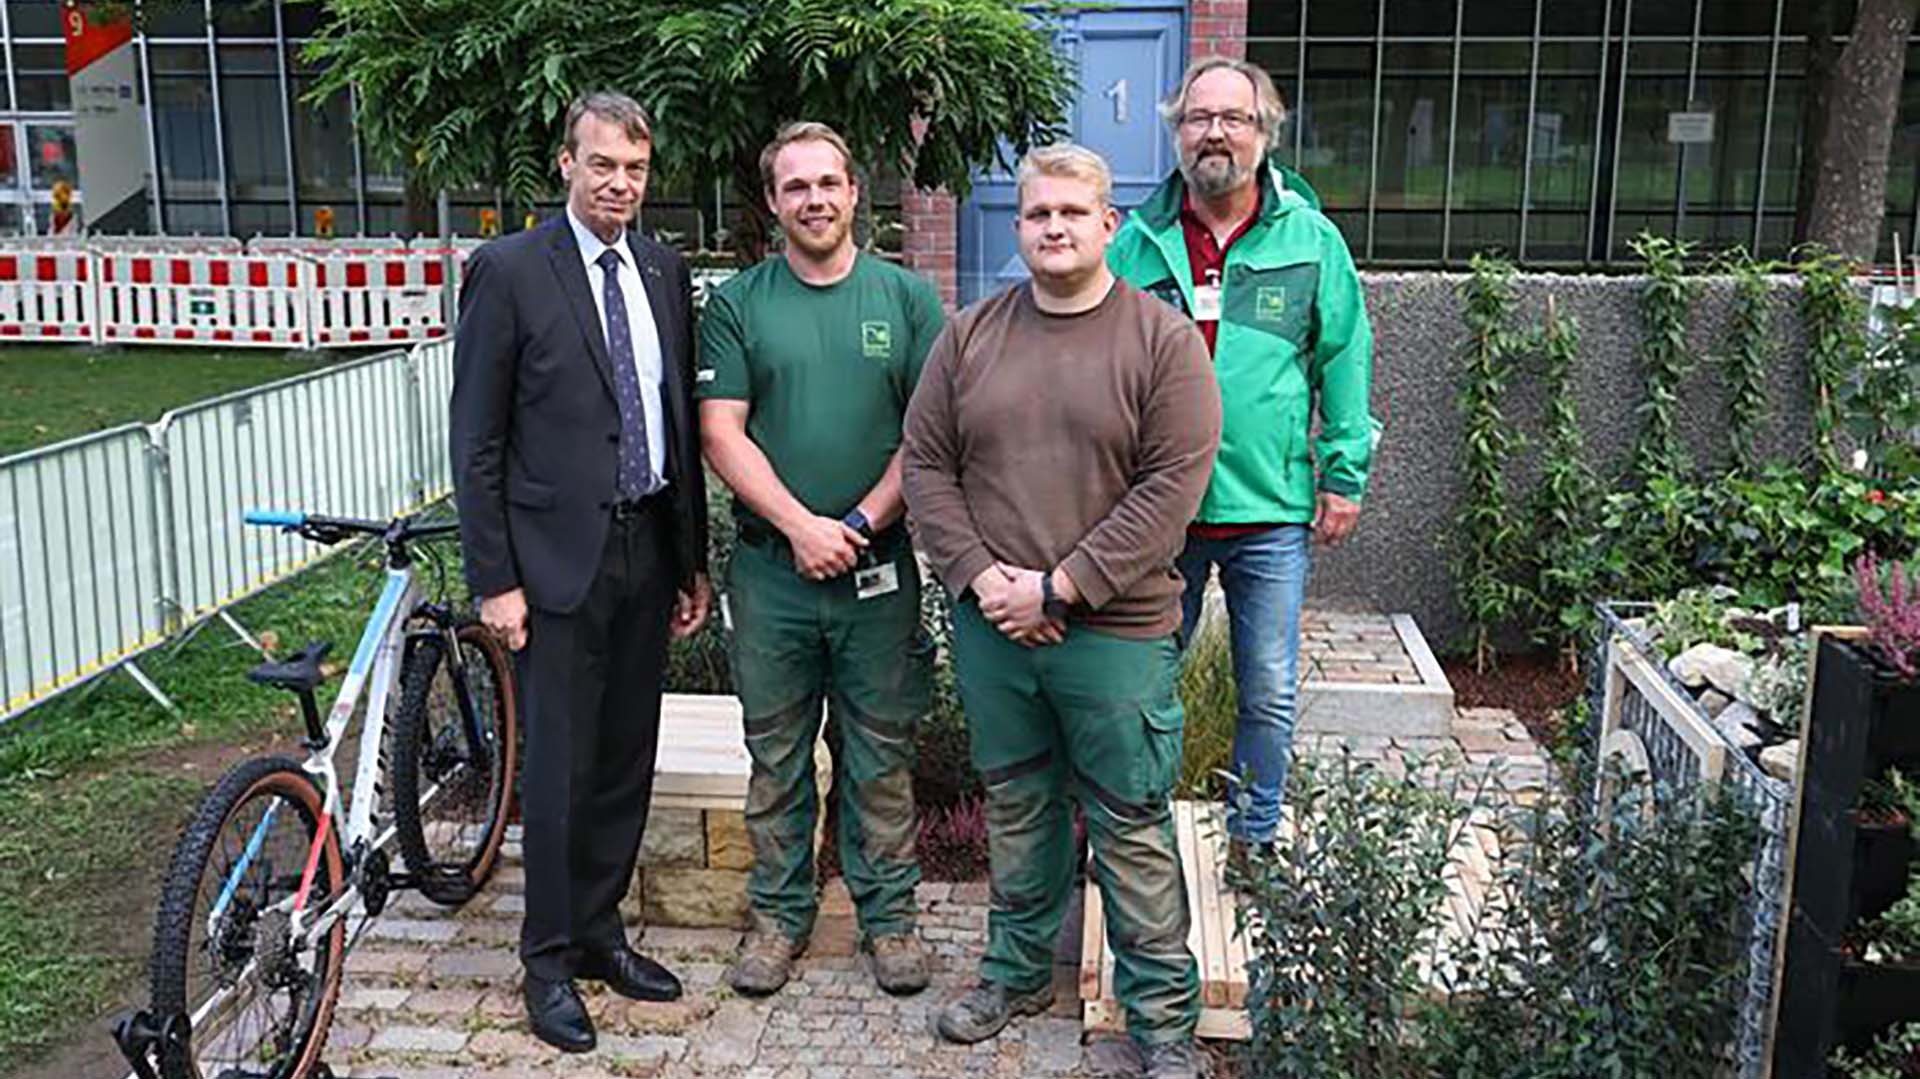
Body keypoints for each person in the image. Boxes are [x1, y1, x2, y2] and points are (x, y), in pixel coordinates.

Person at [902, 143, 1221, 1079]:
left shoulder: (1161, 342)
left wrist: (1062, 586)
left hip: (1115, 635)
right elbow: (926, 465)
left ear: (1108, 225)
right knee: (1016, 806)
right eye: (1038, 215)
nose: (1053, 229)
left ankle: (1162, 1023)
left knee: (1129, 820)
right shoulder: (969, 337)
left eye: (1072, 214)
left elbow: (1174, 486)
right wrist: (983, 580)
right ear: (1020, 226)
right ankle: (1016, 973)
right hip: (996, 627)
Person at [449, 89, 711, 1054]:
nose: (620, 184)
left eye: (636, 169)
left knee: (622, 757)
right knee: (557, 768)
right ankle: (547, 959)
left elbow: (673, 414)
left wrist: (693, 559)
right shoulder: (510, 270)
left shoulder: (663, 267)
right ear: (567, 162)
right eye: (603, 164)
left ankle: (601, 932)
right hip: (552, 567)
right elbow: (476, 438)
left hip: (647, 547)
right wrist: (496, 579)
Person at [698, 121, 945, 997]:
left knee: (881, 752)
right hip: (772, 574)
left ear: (854, 193)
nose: (815, 199)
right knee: (776, 756)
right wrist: (803, 526)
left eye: (829, 183)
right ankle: (777, 917)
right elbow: (720, 431)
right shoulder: (740, 304)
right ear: (772, 201)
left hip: (876, 571)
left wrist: (859, 522)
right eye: (795, 186)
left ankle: (891, 921)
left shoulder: (907, 300)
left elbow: (928, 434)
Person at [1107, 57, 1376, 861]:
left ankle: (1255, 839)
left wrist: (1345, 474)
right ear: (1176, 131)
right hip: (1162, 511)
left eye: (1234, 118)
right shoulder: (1135, 241)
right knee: (1143, 686)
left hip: (1269, 508)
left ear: (1265, 133)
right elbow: (1098, 364)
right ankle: (1135, 837)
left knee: (1268, 688)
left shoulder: (1311, 239)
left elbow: (1345, 358)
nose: (1214, 132)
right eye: (1198, 118)